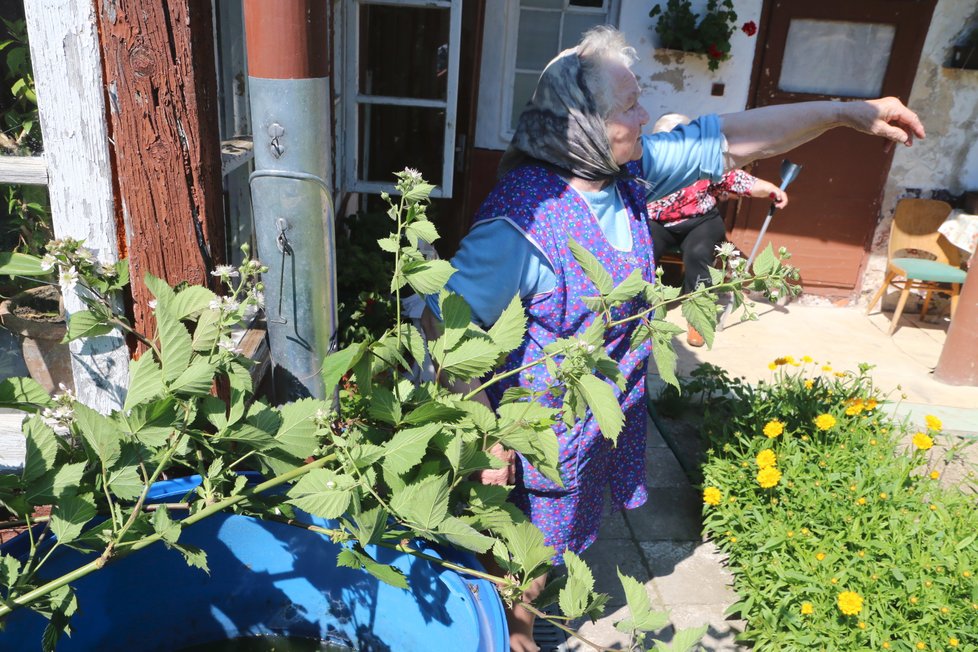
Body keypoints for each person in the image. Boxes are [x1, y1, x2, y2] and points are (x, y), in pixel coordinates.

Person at [421, 26, 923, 652]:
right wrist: (484, 428)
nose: (646, 115)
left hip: (603, 409)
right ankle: (515, 632)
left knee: (562, 534)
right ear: (586, 126)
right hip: (544, 429)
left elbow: (730, 139)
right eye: (629, 106)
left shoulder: (624, 175)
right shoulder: (522, 221)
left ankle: (525, 615)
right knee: (528, 546)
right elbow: (443, 322)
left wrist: (850, 113)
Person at [646, 112, 789, 347]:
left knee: (699, 253)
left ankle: (698, 319)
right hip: (657, 221)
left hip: (700, 220)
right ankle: (633, 309)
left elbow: (742, 181)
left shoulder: (704, 161)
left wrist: (772, 189)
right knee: (642, 250)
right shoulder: (647, 161)